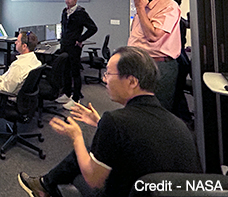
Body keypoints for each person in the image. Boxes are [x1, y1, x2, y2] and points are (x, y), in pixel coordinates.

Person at [18, 46, 201, 197]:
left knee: (81, 166)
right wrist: (100, 124)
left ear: (132, 82)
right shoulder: (179, 124)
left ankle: (45, 187)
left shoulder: (116, 121)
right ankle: (44, 185)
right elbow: (140, 140)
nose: (105, 80)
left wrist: (76, 136)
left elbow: (93, 179)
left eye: (109, 74)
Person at [128, 0, 181, 111]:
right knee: (138, 105)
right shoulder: (144, 5)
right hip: (140, 62)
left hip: (159, 65)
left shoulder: (169, 6)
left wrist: (139, 9)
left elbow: (153, 36)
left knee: (157, 109)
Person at [56, 0, 97, 110]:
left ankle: (76, 98)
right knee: (65, 71)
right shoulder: (65, 11)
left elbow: (93, 28)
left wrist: (80, 39)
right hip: (64, 45)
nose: (67, 1)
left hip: (74, 47)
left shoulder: (80, 13)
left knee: (75, 72)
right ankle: (67, 93)